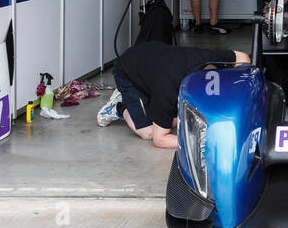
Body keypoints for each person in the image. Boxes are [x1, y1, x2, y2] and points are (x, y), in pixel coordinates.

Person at [98, 39, 250, 148]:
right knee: (149, 131)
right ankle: (120, 106)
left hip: (152, 55)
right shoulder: (167, 90)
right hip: (128, 71)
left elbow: (243, 58)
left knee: (178, 119)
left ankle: (145, 102)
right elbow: (159, 140)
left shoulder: (209, 59)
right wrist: (205, 143)